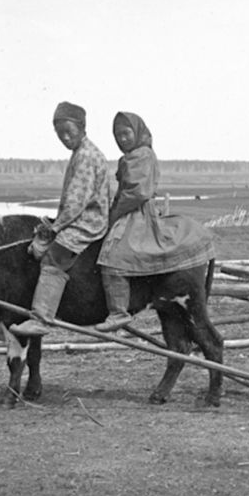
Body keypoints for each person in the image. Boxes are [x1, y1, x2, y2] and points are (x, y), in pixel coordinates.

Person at [96, 111, 215, 331]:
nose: (123, 139)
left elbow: (137, 193)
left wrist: (114, 215)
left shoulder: (143, 155)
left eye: (126, 133)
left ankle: (118, 312)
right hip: (130, 209)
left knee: (113, 255)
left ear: (138, 132)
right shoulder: (131, 157)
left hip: (137, 213)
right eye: (118, 135)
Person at [9, 101, 110, 337]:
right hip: (82, 216)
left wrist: (55, 228)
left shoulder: (85, 156)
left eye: (69, 131)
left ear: (82, 128)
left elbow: (76, 202)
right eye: (59, 133)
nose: (65, 137)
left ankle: (42, 319)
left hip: (88, 222)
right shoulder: (82, 152)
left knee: (54, 256)